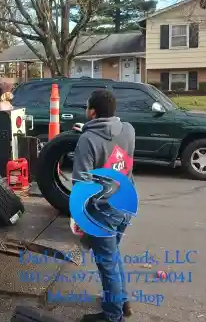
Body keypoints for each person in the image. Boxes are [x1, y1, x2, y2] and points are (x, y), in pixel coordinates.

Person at [72, 89, 135, 322]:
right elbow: (114, 147)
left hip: (104, 213)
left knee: (107, 264)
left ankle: (112, 316)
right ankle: (120, 301)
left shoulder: (87, 141)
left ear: (92, 112)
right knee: (113, 257)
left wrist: (79, 217)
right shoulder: (128, 129)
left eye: (87, 107)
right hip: (126, 204)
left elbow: (82, 185)